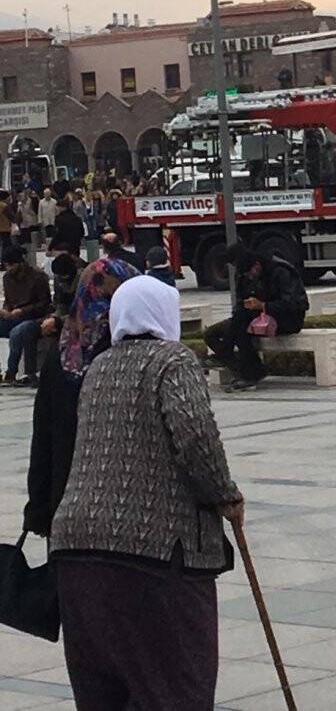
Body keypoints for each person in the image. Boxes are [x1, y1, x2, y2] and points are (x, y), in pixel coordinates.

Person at [48, 275, 243, 710]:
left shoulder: (98, 367)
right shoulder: (173, 360)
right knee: (174, 688)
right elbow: (195, 435)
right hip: (155, 554)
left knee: (103, 693)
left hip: (77, 551)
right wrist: (225, 495)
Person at [22, 254, 140, 539]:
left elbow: (43, 438)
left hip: (66, 501)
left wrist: (39, 506)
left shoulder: (61, 355)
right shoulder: (133, 354)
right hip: (124, 507)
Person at [204, 241, 308, 391]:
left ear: (257, 264)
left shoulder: (280, 271)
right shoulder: (245, 276)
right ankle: (245, 368)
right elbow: (241, 303)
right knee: (214, 333)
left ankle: (244, 369)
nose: (249, 276)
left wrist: (263, 305)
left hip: (287, 319)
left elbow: (296, 304)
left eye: (250, 272)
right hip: (255, 317)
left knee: (241, 326)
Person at [0, 245, 53, 386]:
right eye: (6, 265)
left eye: (11, 265)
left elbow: (44, 304)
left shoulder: (37, 277)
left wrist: (23, 311)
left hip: (34, 318)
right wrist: (6, 311)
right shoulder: (7, 278)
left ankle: (11, 372)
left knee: (18, 332)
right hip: (14, 316)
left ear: (19, 263)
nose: (8, 268)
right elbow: (8, 301)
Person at [0, 191, 15, 260]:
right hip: (4, 229)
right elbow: (12, 217)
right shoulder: (4, 206)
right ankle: (5, 261)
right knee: (7, 247)